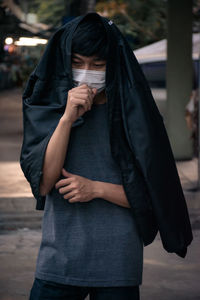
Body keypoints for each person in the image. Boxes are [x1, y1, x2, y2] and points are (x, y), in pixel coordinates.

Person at [20, 12, 193, 300]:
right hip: (59, 257)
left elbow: (156, 198)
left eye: (97, 65)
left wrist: (96, 189)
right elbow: (43, 184)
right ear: (65, 63)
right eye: (77, 63)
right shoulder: (48, 110)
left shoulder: (135, 118)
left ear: (112, 66)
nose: (87, 72)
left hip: (118, 261)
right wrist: (66, 118)